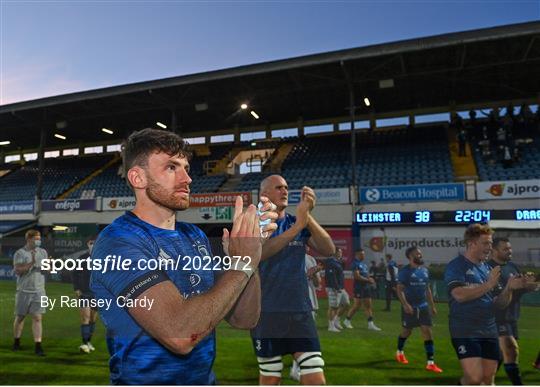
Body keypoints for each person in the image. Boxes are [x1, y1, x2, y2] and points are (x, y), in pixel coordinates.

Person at [90, 128, 278, 385]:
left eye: (186, 168)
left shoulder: (195, 236)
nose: (187, 178)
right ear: (138, 177)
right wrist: (240, 265)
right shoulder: (119, 241)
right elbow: (179, 334)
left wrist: (250, 255)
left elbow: (244, 318)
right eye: (171, 168)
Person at [251, 175, 335, 385]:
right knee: (271, 377)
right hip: (266, 312)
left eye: (287, 187)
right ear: (264, 195)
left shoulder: (294, 222)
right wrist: (298, 226)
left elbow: (329, 249)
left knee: (315, 375)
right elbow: (261, 253)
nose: (285, 191)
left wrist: (306, 216)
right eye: (279, 187)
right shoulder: (254, 223)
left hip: (299, 310)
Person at [444, 223, 525, 385]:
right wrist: (488, 285)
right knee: (474, 378)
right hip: (465, 328)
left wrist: (509, 288)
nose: (490, 247)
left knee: (488, 379)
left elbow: (499, 304)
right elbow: (459, 295)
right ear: (472, 244)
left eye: (490, 242)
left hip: (489, 328)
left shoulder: (487, 268)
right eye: (486, 243)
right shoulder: (456, 266)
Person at [487, 237, 538, 385]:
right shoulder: (489, 269)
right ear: (494, 251)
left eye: (510, 248)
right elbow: (495, 299)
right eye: (505, 249)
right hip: (496, 318)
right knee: (511, 350)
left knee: (499, 357)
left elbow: (517, 291)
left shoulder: (513, 267)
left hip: (511, 317)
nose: (510, 251)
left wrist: (528, 286)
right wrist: (510, 287)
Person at [395, 246, 443, 373]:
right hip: (410, 307)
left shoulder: (425, 270)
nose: (420, 256)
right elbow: (399, 290)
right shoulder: (405, 271)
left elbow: (427, 289)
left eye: (421, 254)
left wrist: (432, 305)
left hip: (423, 307)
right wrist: (405, 304)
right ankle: (399, 351)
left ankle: (430, 363)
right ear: (410, 256)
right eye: (418, 254)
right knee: (407, 332)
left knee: (427, 331)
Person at [12, 229, 49, 356]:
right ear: (29, 239)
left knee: (38, 317)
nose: (38, 240)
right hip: (23, 290)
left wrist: (49, 265)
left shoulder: (43, 252)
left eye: (39, 238)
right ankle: (16, 341)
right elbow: (18, 270)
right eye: (36, 238)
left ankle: (38, 345)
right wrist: (32, 262)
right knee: (20, 317)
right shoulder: (20, 253)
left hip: (39, 290)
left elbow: (47, 269)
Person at [290, 254, 323, 382]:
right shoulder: (288, 255)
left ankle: (296, 369)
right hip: (295, 302)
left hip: (309, 301)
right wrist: (309, 273)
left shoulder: (310, 259)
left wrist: (314, 274)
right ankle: (296, 369)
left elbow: (317, 283)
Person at [343, 249, 381, 331]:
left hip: (366, 287)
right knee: (357, 305)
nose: (363, 256)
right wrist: (368, 280)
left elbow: (367, 275)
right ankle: (347, 320)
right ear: (357, 254)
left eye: (364, 254)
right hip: (359, 288)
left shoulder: (364, 265)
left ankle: (370, 324)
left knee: (368, 305)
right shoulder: (355, 264)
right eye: (362, 254)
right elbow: (357, 276)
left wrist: (371, 279)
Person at [72, 235, 98, 354]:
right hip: (84, 292)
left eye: (95, 242)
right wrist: (76, 288)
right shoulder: (82, 258)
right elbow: (75, 274)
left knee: (93, 319)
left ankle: (88, 342)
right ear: (87, 244)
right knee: (85, 318)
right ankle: (84, 343)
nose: (93, 244)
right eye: (91, 242)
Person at [325, 248, 350, 332]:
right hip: (334, 288)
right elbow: (332, 276)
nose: (341, 253)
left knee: (346, 303)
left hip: (340, 288)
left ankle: (336, 320)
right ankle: (331, 326)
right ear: (334, 253)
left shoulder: (337, 262)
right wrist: (335, 288)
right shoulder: (331, 262)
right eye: (339, 252)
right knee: (333, 307)